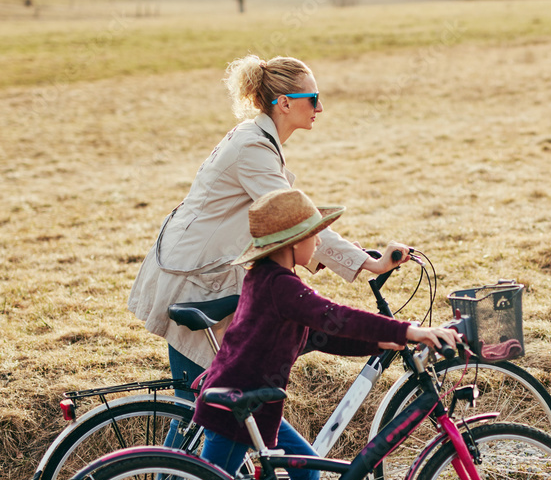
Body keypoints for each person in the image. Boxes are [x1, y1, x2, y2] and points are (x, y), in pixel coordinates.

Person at [128, 189, 458, 480]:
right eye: (314, 235)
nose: (319, 243)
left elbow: (324, 333)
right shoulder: (281, 286)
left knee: (304, 468)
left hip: (250, 401)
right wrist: (409, 330)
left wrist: (391, 339)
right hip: (238, 407)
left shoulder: (268, 280)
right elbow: (332, 315)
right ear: (291, 243)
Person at [128, 54, 413, 400]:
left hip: (199, 270)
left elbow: (296, 221)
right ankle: (166, 457)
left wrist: (350, 256)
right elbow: (295, 219)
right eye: (313, 98)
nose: (319, 107)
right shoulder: (253, 147)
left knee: (218, 396)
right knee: (199, 408)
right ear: (284, 103)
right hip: (194, 281)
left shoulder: (256, 138)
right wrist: (367, 263)